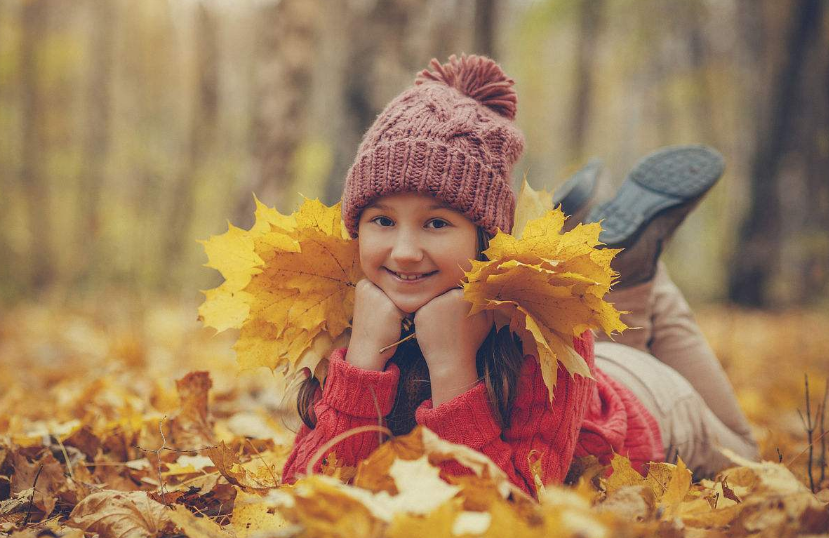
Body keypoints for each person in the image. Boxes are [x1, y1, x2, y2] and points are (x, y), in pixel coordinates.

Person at [281, 54, 758, 496]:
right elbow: (309, 490)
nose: (404, 253)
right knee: (611, 337)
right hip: (591, 379)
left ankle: (636, 268)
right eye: (382, 221)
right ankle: (621, 267)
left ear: (486, 237)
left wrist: (451, 368)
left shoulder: (541, 335)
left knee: (745, 454)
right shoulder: (353, 312)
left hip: (648, 407)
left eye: (437, 223)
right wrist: (363, 355)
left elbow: (509, 506)